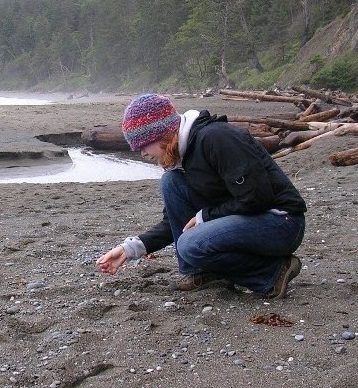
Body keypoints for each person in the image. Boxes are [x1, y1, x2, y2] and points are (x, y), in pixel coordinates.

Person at [96, 93, 307, 298]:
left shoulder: (216, 138)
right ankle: (199, 272)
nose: (141, 153)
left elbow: (258, 198)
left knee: (190, 245)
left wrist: (205, 217)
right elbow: (175, 223)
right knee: (171, 182)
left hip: (281, 222)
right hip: (252, 218)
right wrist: (130, 249)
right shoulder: (185, 156)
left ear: (162, 133)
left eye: (142, 144)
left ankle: (273, 273)